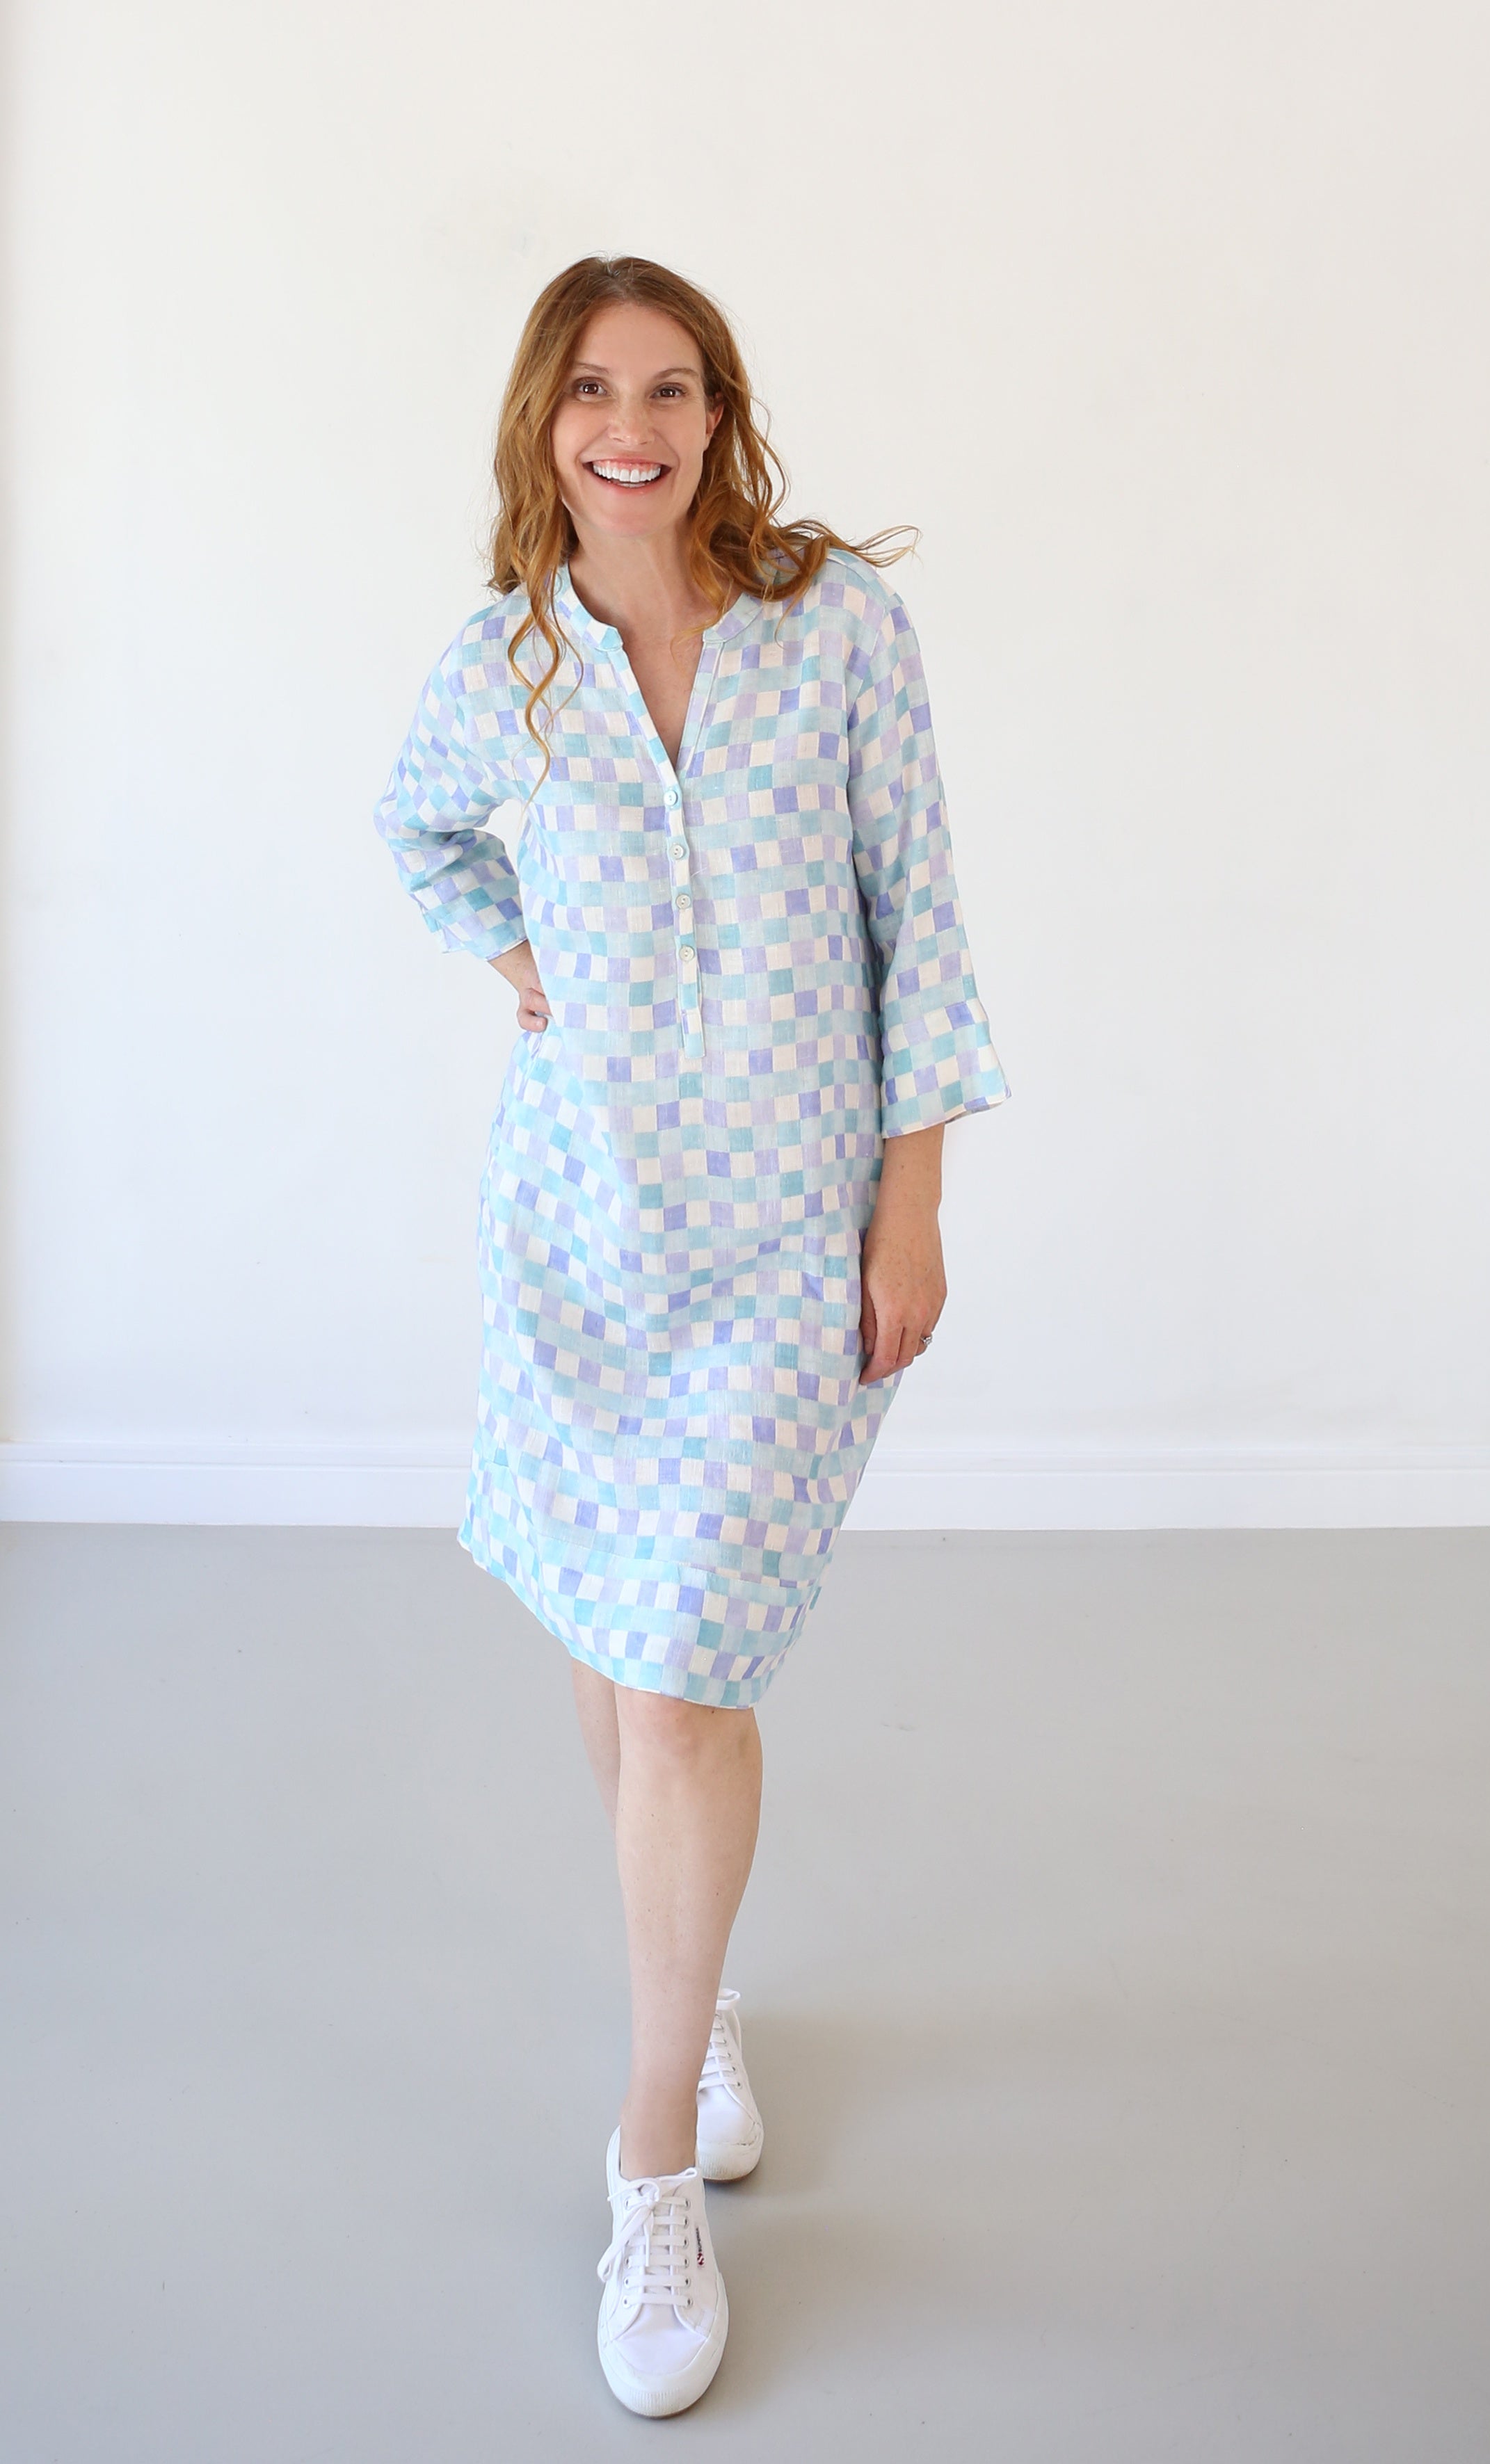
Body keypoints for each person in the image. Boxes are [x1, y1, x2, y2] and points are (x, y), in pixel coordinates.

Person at [375, 255, 1007, 2417]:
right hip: (580, 1231)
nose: (629, 427)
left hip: (779, 1252)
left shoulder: (838, 633)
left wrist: (912, 1201)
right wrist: (515, 960)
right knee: (609, 1631)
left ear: (718, 414)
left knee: (678, 1678)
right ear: (540, 424)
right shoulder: (507, 666)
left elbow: (920, 918)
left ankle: (649, 2155)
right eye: (590, 391)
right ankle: (693, 1994)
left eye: (669, 388)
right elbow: (415, 830)